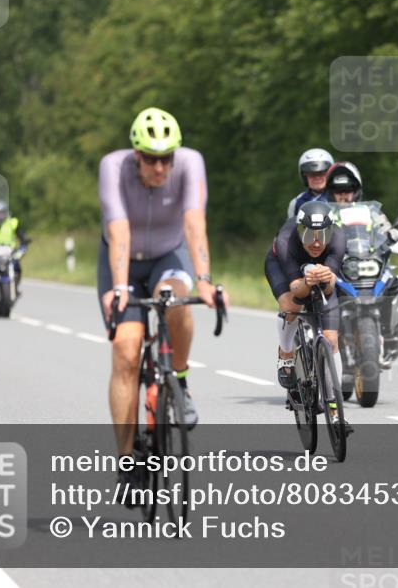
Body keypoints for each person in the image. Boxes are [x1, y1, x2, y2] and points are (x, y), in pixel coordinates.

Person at [97, 106, 226, 503]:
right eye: (151, 159)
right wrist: (119, 287)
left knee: (175, 300)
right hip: (122, 262)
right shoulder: (113, 167)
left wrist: (203, 280)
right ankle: (127, 461)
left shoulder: (190, 163)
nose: (159, 167)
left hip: (170, 256)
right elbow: (118, 231)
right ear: (136, 155)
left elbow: (194, 223)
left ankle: (180, 382)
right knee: (126, 349)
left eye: (165, 158)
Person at [264, 200, 348, 427]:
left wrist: (324, 278)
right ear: (301, 230)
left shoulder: (339, 239)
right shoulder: (286, 240)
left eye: (323, 234)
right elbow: (297, 291)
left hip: (320, 272)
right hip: (285, 270)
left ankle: (334, 406)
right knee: (292, 306)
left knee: (331, 339)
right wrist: (308, 281)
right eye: (310, 235)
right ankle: (286, 351)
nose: (317, 242)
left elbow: (330, 288)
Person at [286, 148, 334, 218]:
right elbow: (290, 227)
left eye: (322, 173)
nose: (317, 177)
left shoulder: (339, 198)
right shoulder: (297, 202)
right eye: (312, 174)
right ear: (304, 176)